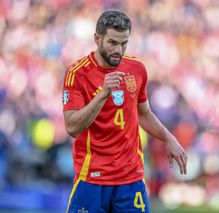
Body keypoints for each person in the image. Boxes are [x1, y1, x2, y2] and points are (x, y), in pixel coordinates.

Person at [62, 10, 188, 213]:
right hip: (92, 177)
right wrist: (103, 94)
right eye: (112, 43)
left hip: (131, 178)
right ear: (97, 38)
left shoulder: (136, 69)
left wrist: (168, 138)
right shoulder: (77, 74)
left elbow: (144, 113)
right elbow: (72, 127)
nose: (119, 50)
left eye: (124, 43)